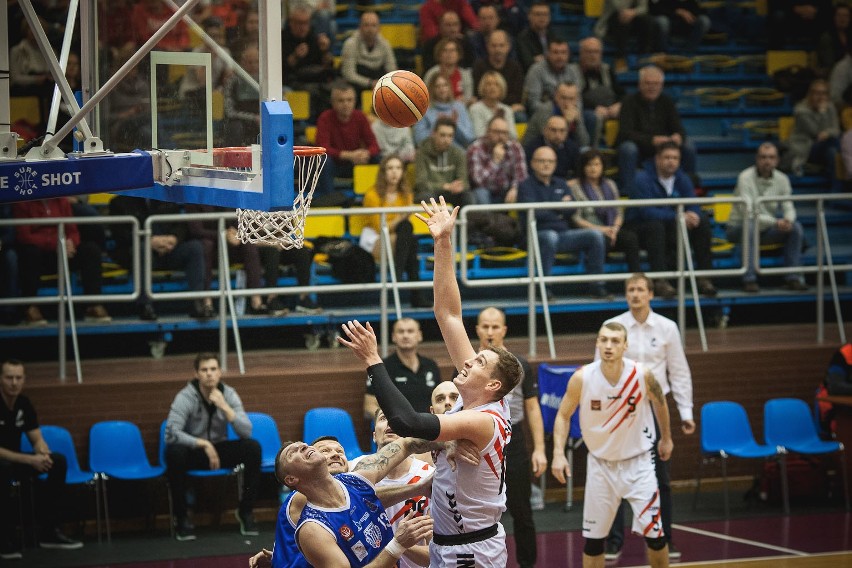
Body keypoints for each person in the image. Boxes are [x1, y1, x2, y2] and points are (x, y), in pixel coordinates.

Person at [338, 194, 525, 566]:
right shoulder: (473, 399)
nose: (470, 361)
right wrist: (443, 242)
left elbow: (407, 423)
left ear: (492, 385)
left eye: (480, 362)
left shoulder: (484, 419)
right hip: (447, 544)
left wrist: (375, 362)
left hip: (472, 550)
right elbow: (448, 313)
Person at [551, 321, 673, 568]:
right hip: (600, 466)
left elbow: (660, 403)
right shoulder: (582, 378)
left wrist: (666, 437)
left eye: (615, 341)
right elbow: (563, 415)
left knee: (656, 537)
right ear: (597, 342)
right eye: (604, 340)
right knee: (594, 543)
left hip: (639, 465)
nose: (608, 345)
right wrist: (557, 454)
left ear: (625, 346)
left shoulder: (642, 375)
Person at [598, 272, 695, 561]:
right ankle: (614, 541)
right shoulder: (612, 327)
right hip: (620, 410)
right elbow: (598, 370)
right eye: (630, 290)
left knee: (660, 477)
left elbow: (679, 372)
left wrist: (685, 411)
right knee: (613, 474)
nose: (635, 294)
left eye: (640, 289)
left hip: (654, 409)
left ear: (650, 294)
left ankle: (664, 538)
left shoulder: (667, 328)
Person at [253, 435, 432, 568]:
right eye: (294, 452)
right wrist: (397, 544)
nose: (304, 447)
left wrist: (449, 439)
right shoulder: (311, 525)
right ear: (292, 479)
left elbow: (407, 444)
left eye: (339, 451)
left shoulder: (356, 484)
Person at [475, 307, 547, 568]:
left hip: (512, 441)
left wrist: (539, 449)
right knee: (479, 512)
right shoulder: (469, 366)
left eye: (495, 327)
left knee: (522, 510)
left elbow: (532, 408)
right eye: (485, 326)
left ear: (504, 330)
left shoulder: (520, 365)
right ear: (477, 329)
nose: (490, 332)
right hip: (479, 443)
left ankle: (527, 564)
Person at [164, 353, 262, 540]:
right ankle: (182, 518)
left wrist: (225, 407)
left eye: (213, 369)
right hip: (195, 452)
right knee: (174, 453)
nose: (209, 374)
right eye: (204, 370)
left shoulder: (228, 394)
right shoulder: (185, 396)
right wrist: (203, 444)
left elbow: (246, 431)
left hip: (220, 450)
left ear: (219, 373)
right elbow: (171, 433)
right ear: (196, 374)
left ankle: (245, 512)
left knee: (252, 448)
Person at [0, 359, 84, 559]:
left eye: (18, 378)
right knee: (2, 469)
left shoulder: (24, 403)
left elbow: (36, 437)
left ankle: (49, 532)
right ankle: (4, 539)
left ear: (24, 380)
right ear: (0, 379)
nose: (14, 382)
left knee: (58, 462)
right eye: (9, 378)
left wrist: (42, 452)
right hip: (5, 462)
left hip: (15, 461)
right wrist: (30, 460)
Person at [625, 142, 716, 298]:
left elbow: (692, 203)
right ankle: (661, 281)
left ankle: (704, 277)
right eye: (667, 157)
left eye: (675, 158)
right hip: (640, 227)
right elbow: (647, 211)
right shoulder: (642, 178)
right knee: (656, 226)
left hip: (671, 225)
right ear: (657, 159)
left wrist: (693, 215)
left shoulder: (682, 178)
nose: (671, 161)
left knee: (702, 223)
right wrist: (678, 217)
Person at [517, 146, 609, 299]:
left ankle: (596, 285)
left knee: (595, 236)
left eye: (550, 161)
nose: (546, 164)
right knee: (550, 237)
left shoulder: (561, 183)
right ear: (532, 163)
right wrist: (559, 204)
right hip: (536, 236)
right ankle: (543, 288)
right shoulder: (525, 186)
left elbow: (571, 209)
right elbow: (535, 214)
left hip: (564, 235)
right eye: (542, 161)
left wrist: (552, 208)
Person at [352, 410, 435, 568]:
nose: (390, 422)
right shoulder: (354, 471)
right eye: (383, 418)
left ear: (409, 433)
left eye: (396, 418)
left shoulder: (428, 476)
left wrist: (401, 544)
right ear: (374, 435)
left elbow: (434, 556)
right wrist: (396, 542)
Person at [108, 195, 210, 320]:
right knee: (142, 249)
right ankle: (145, 305)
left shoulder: (166, 198)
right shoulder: (119, 202)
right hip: (139, 253)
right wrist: (149, 240)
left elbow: (180, 225)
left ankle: (197, 303)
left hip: (168, 250)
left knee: (195, 248)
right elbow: (121, 235)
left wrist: (174, 238)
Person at [13, 197, 112, 325]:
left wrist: (71, 243)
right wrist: (56, 243)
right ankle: (29, 307)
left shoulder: (62, 201)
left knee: (90, 250)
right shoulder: (22, 202)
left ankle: (93, 305)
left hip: (62, 250)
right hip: (39, 253)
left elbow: (72, 230)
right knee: (30, 253)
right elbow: (24, 236)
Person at [727, 143, 808, 293]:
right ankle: (749, 279)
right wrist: (776, 222)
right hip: (738, 228)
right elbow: (749, 212)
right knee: (750, 226)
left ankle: (793, 277)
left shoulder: (782, 179)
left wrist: (788, 221)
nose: (767, 161)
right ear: (757, 159)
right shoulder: (745, 177)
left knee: (796, 228)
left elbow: (788, 206)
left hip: (766, 229)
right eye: (763, 157)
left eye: (771, 157)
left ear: (777, 160)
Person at [359, 157, 430, 307]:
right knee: (408, 233)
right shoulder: (372, 195)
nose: (394, 172)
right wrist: (400, 218)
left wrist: (400, 220)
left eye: (398, 168)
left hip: (398, 239)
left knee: (407, 230)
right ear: (383, 172)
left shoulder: (406, 193)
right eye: (390, 168)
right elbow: (379, 227)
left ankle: (398, 274)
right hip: (374, 238)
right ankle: (415, 294)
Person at [616, 65, 696, 196]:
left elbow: (679, 128)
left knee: (688, 146)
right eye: (648, 83)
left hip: (664, 148)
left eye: (656, 84)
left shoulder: (667, 102)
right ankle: (628, 191)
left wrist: (678, 137)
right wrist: (652, 140)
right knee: (628, 148)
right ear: (640, 84)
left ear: (661, 85)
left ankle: (688, 188)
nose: (652, 87)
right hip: (639, 147)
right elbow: (626, 132)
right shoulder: (629, 102)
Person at [568, 149, 643, 274]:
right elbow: (576, 219)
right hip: (590, 230)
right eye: (589, 165)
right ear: (583, 167)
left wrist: (614, 228)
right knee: (601, 239)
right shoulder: (575, 187)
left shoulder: (610, 184)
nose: (593, 168)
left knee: (630, 238)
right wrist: (602, 230)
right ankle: (598, 281)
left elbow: (618, 212)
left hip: (611, 228)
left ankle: (636, 277)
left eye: (597, 164)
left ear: (603, 167)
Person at [315, 81, 381, 205]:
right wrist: (349, 155)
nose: (346, 104)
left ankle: (375, 197)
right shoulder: (325, 118)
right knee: (324, 160)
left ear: (354, 101)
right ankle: (330, 199)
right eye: (341, 101)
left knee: (377, 158)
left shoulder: (360, 117)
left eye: (349, 100)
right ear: (333, 103)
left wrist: (365, 153)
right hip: (335, 164)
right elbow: (322, 148)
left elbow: (374, 146)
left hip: (356, 162)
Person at [364, 317, 441, 421]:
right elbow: (369, 406)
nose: (405, 335)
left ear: (419, 336)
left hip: (429, 429)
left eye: (410, 331)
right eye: (401, 331)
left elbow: (440, 399)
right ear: (393, 337)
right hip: (397, 430)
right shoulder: (381, 367)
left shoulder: (431, 365)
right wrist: (392, 423)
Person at [281, 3, 335, 119]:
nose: (303, 27)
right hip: (293, 80)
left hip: (316, 78)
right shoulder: (282, 38)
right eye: (299, 23)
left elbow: (327, 64)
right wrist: (295, 56)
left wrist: (325, 50)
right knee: (315, 92)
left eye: (306, 23)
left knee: (335, 89)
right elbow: (280, 71)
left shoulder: (314, 37)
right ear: (291, 23)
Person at [785, 79, 840, 189]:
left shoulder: (830, 107)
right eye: (817, 93)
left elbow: (836, 130)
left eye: (824, 93)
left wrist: (828, 133)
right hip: (806, 148)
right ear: (810, 94)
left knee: (832, 151)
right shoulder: (800, 110)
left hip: (826, 147)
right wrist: (823, 114)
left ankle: (835, 188)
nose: (820, 97)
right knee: (834, 144)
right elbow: (817, 133)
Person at [569, 37, 624, 147]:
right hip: (584, 110)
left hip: (609, 108)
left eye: (596, 52)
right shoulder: (571, 71)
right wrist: (594, 108)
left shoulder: (607, 69)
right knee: (591, 116)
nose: (593, 55)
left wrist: (619, 105)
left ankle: (616, 149)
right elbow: (571, 97)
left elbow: (621, 93)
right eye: (589, 52)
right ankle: (591, 151)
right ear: (581, 53)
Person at [413, 117, 475, 207]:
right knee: (426, 196)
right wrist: (445, 186)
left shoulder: (458, 153)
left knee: (468, 196)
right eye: (442, 135)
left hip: (452, 193)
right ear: (433, 134)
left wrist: (459, 186)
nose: (446, 140)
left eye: (450, 136)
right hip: (432, 193)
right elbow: (421, 183)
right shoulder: (422, 153)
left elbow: (464, 182)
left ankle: (466, 221)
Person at [467, 116, 528, 204]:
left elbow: (521, 176)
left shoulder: (515, 147)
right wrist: (495, 162)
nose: (501, 136)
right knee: (480, 193)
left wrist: (515, 188)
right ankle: (488, 218)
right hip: (485, 190)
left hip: (506, 190)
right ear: (487, 132)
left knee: (522, 191)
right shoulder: (475, 148)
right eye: (497, 132)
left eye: (504, 133)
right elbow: (478, 181)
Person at [471, 29, 526, 118]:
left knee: (520, 116)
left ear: (508, 47)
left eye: (501, 45)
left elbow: (517, 96)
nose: (498, 49)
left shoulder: (515, 67)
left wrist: (498, 104)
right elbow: (477, 93)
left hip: (508, 108)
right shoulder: (479, 66)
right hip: (484, 106)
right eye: (494, 46)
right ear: (487, 47)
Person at [523, 81, 590, 152]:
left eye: (571, 99)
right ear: (556, 96)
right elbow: (551, 138)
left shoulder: (575, 111)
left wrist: (578, 122)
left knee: (585, 150)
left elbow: (584, 142)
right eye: (564, 98)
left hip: (564, 148)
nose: (567, 102)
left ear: (577, 99)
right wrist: (566, 122)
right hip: (538, 149)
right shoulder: (545, 110)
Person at [339, 11, 398, 92]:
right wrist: (370, 83)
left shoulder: (385, 44)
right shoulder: (350, 44)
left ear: (379, 28)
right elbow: (349, 74)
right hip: (357, 86)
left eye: (373, 25)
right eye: (366, 25)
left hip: (380, 85)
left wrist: (382, 83)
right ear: (360, 27)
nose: (370, 29)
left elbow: (392, 71)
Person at [413, 74, 475, 149]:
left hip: (459, 153)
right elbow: (420, 140)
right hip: (433, 153)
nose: (442, 89)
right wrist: (438, 126)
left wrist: (455, 124)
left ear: (450, 87)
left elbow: (469, 138)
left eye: (445, 85)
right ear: (432, 89)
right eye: (437, 86)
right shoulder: (424, 110)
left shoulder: (459, 107)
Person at [593, 0, 656, 72]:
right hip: (611, 21)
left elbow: (644, 8)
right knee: (622, 20)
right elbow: (618, 6)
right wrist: (629, 12)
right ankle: (620, 58)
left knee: (647, 21)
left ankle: (643, 57)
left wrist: (633, 12)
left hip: (632, 20)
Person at [523, 38, 578, 116]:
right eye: (556, 52)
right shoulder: (536, 70)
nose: (560, 56)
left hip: (569, 113)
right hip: (542, 116)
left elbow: (578, 101)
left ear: (568, 54)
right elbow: (533, 104)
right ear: (548, 54)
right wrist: (557, 112)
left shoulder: (572, 71)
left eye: (563, 52)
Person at [523, 115, 581, 179]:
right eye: (553, 130)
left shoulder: (572, 147)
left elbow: (578, 173)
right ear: (544, 130)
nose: (558, 135)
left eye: (562, 130)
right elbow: (529, 174)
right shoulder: (532, 148)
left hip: (566, 184)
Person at [423, 37, 476, 106]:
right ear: (439, 54)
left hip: (460, 109)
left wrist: (466, 101)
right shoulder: (432, 73)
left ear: (458, 54)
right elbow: (426, 97)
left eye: (452, 50)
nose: (449, 54)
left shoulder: (465, 74)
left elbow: (468, 97)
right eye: (445, 50)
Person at [468, 71, 518, 140]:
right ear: (483, 87)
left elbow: (513, 136)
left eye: (496, 84)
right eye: (488, 84)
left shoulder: (507, 110)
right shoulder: (475, 109)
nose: (492, 87)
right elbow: (479, 135)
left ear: (501, 89)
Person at [516, 1, 557, 72]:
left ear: (549, 17)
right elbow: (528, 63)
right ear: (529, 16)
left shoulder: (554, 36)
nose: (542, 18)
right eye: (538, 14)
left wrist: (540, 59)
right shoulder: (523, 38)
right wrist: (551, 58)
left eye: (545, 14)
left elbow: (566, 59)